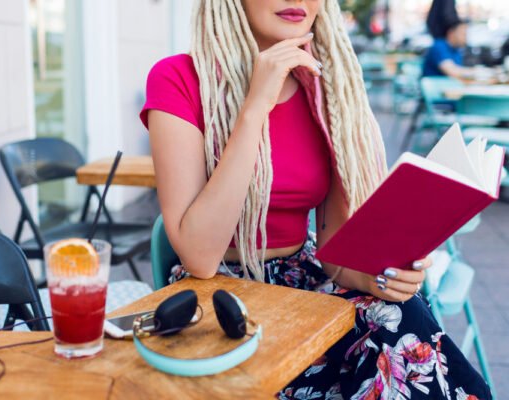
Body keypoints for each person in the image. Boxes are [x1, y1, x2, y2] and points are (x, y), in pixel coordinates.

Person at [140, 0, 492, 398]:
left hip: (305, 279)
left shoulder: (326, 87)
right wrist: (256, 106)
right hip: (218, 296)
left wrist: (383, 278)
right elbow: (199, 257)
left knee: (401, 318)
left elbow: (336, 261)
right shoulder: (177, 78)